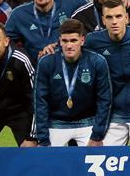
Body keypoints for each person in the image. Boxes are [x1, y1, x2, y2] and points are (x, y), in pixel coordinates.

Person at [83, 0, 130, 145]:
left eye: (118, 16)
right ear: (103, 20)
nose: (114, 21)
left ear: (127, 18)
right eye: (109, 17)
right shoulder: (93, 41)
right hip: (113, 114)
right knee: (109, 160)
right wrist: (52, 48)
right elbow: (71, 48)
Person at [33, 19, 112, 147]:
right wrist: (42, 138)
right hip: (57, 123)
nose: (69, 45)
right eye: (65, 41)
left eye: (73, 40)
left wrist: (97, 135)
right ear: (59, 41)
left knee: (94, 162)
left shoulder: (97, 61)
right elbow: (40, 101)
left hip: (88, 123)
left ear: (82, 40)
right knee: (47, 164)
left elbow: (104, 100)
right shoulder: (46, 62)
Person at [3, 0, 88, 66]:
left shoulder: (70, 3)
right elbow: (3, 40)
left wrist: (58, 46)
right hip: (37, 71)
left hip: (69, 68)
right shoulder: (19, 14)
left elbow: (95, 12)